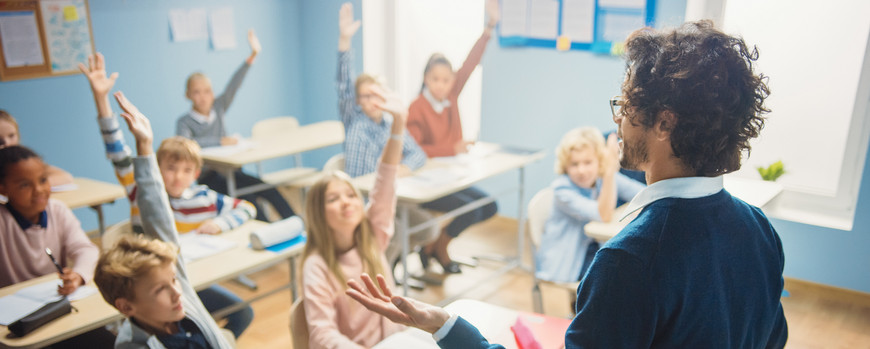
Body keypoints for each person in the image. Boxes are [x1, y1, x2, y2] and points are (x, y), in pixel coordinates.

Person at [347, 21, 789, 348]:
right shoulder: (759, 229)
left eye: (627, 103)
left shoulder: (628, 260)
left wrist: (447, 327)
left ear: (663, 123)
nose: (617, 117)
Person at [80, 53, 254, 339]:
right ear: (156, 169)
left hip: (187, 280)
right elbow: (118, 152)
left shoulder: (202, 197)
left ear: (196, 173)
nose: (176, 176)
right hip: (153, 290)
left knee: (242, 312)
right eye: (169, 168)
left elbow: (245, 207)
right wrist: (102, 102)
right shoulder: (141, 192)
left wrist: (219, 224)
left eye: (186, 170)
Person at [94, 90, 234, 348]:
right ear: (126, 307)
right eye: (162, 290)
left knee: (240, 310)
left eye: (173, 282)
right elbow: (156, 212)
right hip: (142, 270)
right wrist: (143, 147)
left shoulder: (177, 293)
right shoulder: (133, 344)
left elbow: (164, 233)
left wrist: (146, 144)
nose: (177, 291)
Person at [301, 85, 407, 348]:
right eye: (333, 199)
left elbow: (385, 180)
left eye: (350, 195)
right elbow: (322, 335)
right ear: (318, 214)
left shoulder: (372, 234)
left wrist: (398, 125)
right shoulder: (317, 266)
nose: (346, 203)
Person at [407, 0, 501, 274]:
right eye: (435, 79)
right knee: (469, 209)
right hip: (425, 184)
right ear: (425, 78)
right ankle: (440, 249)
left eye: (446, 80)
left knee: (488, 206)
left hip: (450, 177)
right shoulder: (416, 108)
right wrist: (453, 147)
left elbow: (471, 62)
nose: (441, 85)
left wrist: (489, 27)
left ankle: (434, 245)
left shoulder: (450, 96)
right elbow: (416, 151)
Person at [175, 29, 295, 223]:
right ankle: (271, 236)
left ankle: (298, 227)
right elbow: (187, 145)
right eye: (196, 92)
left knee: (268, 189)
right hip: (211, 178)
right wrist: (220, 141)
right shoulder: (184, 122)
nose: (203, 97)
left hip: (233, 172)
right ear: (188, 95)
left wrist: (252, 56)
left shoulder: (219, 107)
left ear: (213, 93)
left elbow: (234, 85)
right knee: (250, 203)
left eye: (207, 91)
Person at [0, 145, 113, 348]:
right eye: (25, 185)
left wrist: (78, 275)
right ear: (3, 189)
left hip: (58, 309)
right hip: (18, 320)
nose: (39, 190)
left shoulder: (57, 210)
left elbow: (85, 250)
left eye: (43, 180)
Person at [536, 127, 644, 284]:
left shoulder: (601, 179)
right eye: (574, 164)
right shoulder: (562, 189)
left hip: (594, 248)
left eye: (588, 162)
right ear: (565, 165)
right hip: (570, 261)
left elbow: (644, 193)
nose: (581, 170)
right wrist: (609, 171)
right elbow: (603, 215)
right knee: (619, 275)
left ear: (598, 161)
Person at [336, 2, 427, 178]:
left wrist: (402, 169)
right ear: (358, 101)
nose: (372, 101)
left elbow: (418, 154)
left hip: (383, 192)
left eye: (377, 95)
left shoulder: (390, 125)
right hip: (361, 194)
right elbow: (344, 85)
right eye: (366, 96)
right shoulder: (353, 119)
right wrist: (344, 40)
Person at [0, 110, 74, 188]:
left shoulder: (23, 162)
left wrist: (32, 185)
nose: (7, 143)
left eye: (11, 136)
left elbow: (65, 177)